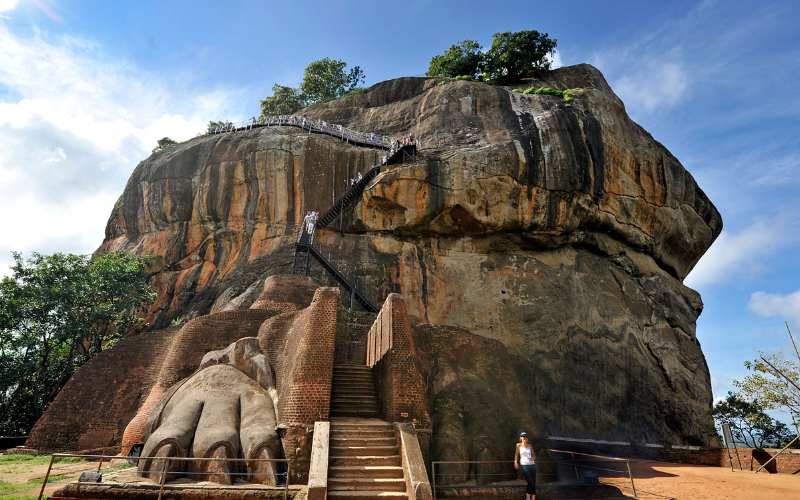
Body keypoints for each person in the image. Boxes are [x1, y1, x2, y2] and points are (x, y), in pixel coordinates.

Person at [514, 432, 536, 499]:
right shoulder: (518, 445)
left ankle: (531, 496)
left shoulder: (530, 445)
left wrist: (533, 458)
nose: (524, 438)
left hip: (532, 464)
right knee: (530, 480)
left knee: (533, 481)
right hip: (524, 465)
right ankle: (530, 496)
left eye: (525, 437)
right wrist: (515, 462)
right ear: (520, 438)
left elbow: (534, 455)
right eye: (522, 437)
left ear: (527, 438)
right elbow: (516, 455)